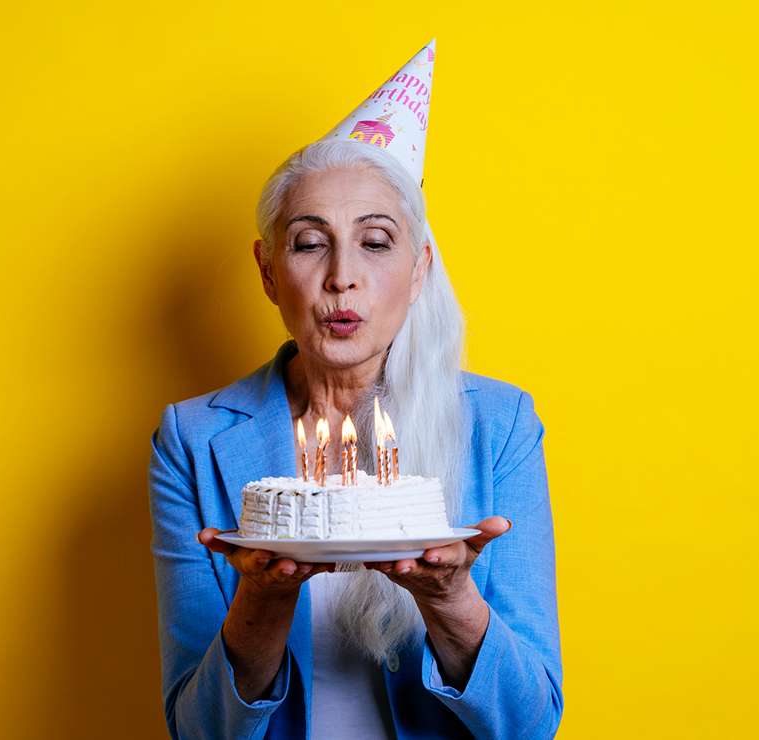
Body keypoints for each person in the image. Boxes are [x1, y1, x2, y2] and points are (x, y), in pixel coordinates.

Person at [149, 40, 563, 739]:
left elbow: (528, 724)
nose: (343, 276)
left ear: (420, 266)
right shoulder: (191, 441)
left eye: (375, 241)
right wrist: (263, 596)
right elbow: (200, 731)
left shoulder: (500, 425)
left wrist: (451, 595)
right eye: (310, 243)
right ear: (268, 270)